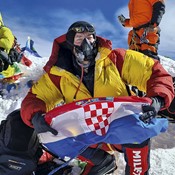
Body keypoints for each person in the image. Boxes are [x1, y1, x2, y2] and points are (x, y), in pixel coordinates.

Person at [20, 21, 174, 175]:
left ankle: (137, 172)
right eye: (79, 37)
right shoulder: (59, 73)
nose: (86, 42)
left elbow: (154, 72)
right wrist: (35, 116)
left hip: (120, 130)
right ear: (70, 42)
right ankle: (101, 161)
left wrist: (157, 99)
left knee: (139, 130)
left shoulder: (116, 58)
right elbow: (35, 98)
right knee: (52, 132)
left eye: (90, 37)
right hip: (87, 135)